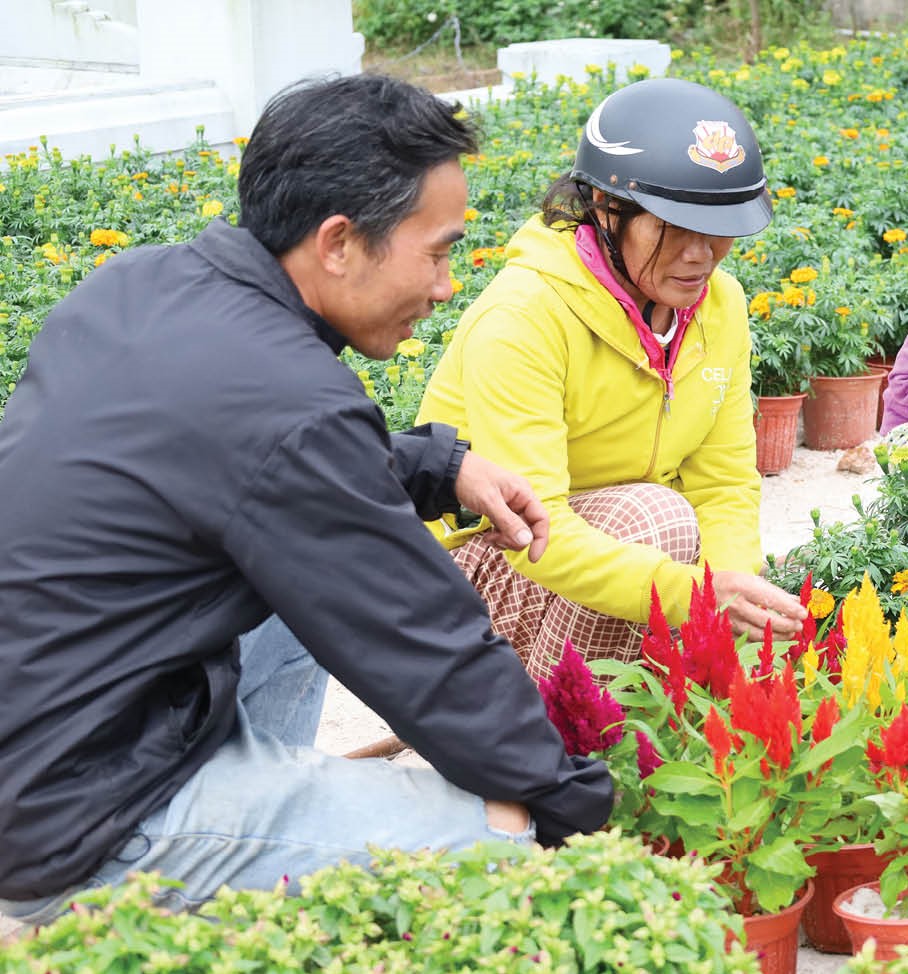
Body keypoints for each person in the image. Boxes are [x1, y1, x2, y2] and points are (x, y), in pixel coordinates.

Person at [0, 74, 614, 924]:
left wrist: (441, 467)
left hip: (52, 722)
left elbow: (252, 456)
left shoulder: (140, 286)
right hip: (80, 821)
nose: (444, 288)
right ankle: (164, 896)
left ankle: (256, 832)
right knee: (496, 836)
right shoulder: (292, 404)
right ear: (337, 243)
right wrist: (573, 808)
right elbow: (427, 648)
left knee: (292, 593)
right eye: (436, 253)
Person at [417, 77, 807, 683]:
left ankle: (627, 743)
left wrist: (735, 592)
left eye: (719, 227)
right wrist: (697, 597)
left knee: (695, 552)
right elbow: (532, 527)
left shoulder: (718, 307)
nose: (700, 254)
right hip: (471, 576)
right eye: (673, 227)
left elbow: (724, 483)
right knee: (658, 522)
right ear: (605, 207)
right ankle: (550, 749)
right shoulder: (524, 317)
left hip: (605, 556)